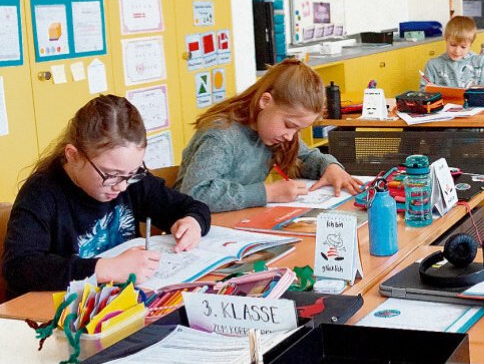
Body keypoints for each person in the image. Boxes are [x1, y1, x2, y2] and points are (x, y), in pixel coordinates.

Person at [3, 96, 210, 297]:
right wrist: (104, 268)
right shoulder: (41, 193)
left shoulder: (128, 179)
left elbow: (190, 207)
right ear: (73, 155)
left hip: (122, 304)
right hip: (63, 315)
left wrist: (193, 222)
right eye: (110, 175)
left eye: (132, 173)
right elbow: (19, 266)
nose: (121, 186)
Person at [176, 59, 361, 212]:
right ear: (265, 101)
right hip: (192, 231)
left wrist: (330, 166)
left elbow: (304, 157)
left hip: (236, 223)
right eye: (289, 125)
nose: (290, 136)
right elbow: (196, 193)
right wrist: (267, 193)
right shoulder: (221, 134)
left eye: (297, 130)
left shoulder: (271, 131)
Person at [422, 15, 484, 88]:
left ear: (470, 44)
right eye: (453, 45)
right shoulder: (433, 65)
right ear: (446, 39)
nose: (457, 51)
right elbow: (423, 92)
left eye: (463, 47)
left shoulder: (482, 62)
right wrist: (428, 89)